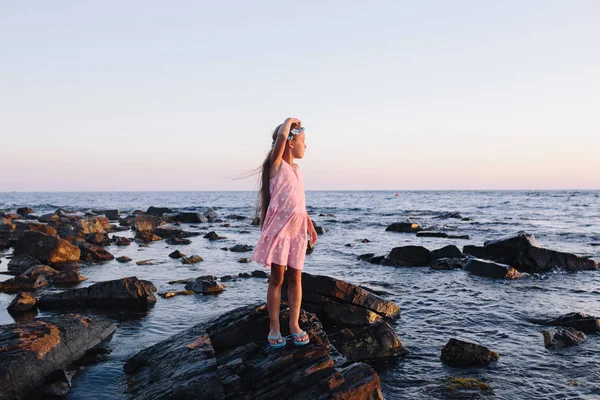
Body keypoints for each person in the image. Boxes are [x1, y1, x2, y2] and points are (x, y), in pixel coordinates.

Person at [252, 117, 318, 349]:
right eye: (303, 140)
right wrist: (289, 121)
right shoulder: (276, 165)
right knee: (277, 278)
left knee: (295, 277)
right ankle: (274, 326)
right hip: (281, 231)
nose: (306, 145)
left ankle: (294, 324)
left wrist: (308, 222)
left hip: (297, 231)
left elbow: (298, 202)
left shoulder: (297, 171)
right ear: (290, 143)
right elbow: (281, 137)